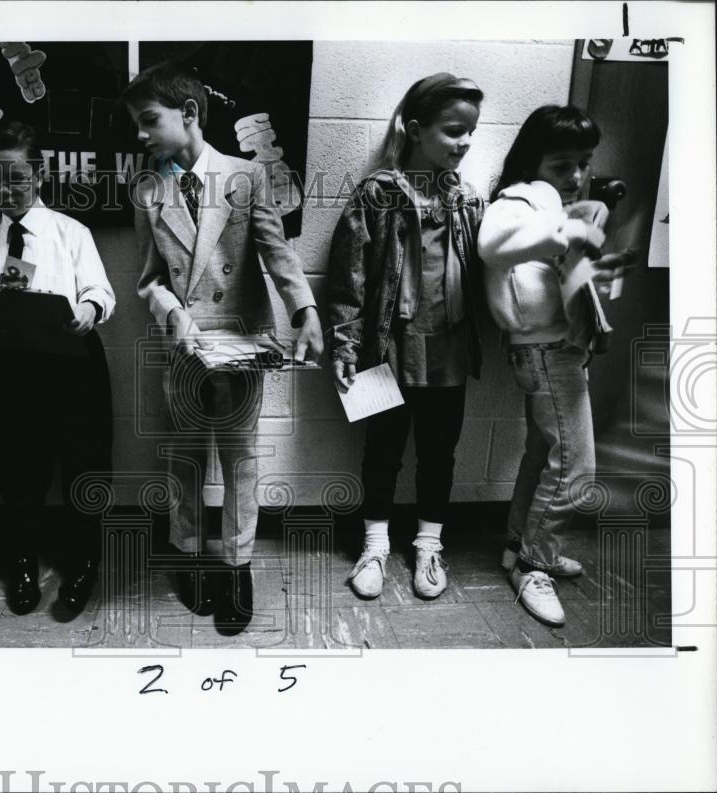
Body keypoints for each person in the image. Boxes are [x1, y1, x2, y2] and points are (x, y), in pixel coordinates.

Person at [121, 61, 323, 635]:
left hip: (241, 341)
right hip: (184, 345)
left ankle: (236, 565)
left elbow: (277, 251)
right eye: (136, 123)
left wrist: (305, 311)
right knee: (185, 455)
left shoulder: (245, 175)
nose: (140, 134)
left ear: (189, 114)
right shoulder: (148, 188)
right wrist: (171, 311)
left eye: (148, 120)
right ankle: (187, 555)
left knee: (239, 456)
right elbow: (148, 278)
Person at [326, 72, 486, 601]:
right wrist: (346, 348)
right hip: (383, 349)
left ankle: (427, 545)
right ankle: (374, 545)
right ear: (416, 130)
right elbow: (349, 281)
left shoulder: (468, 200)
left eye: (471, 132)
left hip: (449, 350)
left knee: (440, 453)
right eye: (453, 130)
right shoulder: (377, 193)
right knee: (381, 451)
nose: (464, 142)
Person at [479, 104, 634, 627]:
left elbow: (568, 283)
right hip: (545, 355)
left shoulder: (554, 207)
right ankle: (533, 566)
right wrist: (565, 231)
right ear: (533, 162)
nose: (575, 176)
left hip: (560, 350)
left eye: (583, 163)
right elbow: (491, 245)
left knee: (543, 454)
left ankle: (517, 547)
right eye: (561, 164)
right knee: (576, 470)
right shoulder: (519, 201)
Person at [0, 120, 115, 617]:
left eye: (15, 177)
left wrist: (88, 311)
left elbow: (100, 289)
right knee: (21, 471)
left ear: (38, 173)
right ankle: (24, 561)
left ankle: (83, 561)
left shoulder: (70, 233)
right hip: (21, 370)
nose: (4, 190)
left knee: (85, 466)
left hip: (76, 366)